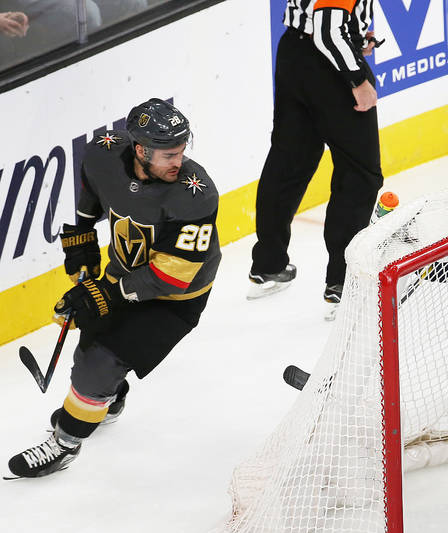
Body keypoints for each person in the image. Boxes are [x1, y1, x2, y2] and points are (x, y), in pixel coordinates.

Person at [7, 98, 220, 479]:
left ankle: (65, 443)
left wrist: (105, 293)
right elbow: (90, 207)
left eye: (182, 151)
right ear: (140, 149)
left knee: (98, 362)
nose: (180, 161)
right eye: (169, 154)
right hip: (123, 275)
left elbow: (172, 276)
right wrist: (83, 249)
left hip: (175, 299)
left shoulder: (195, 194)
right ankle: (110, 398)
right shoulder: (102, 155)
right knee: (91, 339)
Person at [248, 0, 383, 318]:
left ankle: (268, 265)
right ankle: (343, 283)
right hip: (326, 65)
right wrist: (358, 80)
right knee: (360, 172)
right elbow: (327, 30)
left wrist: (355, 39)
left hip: (295, 53)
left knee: (290, 159)